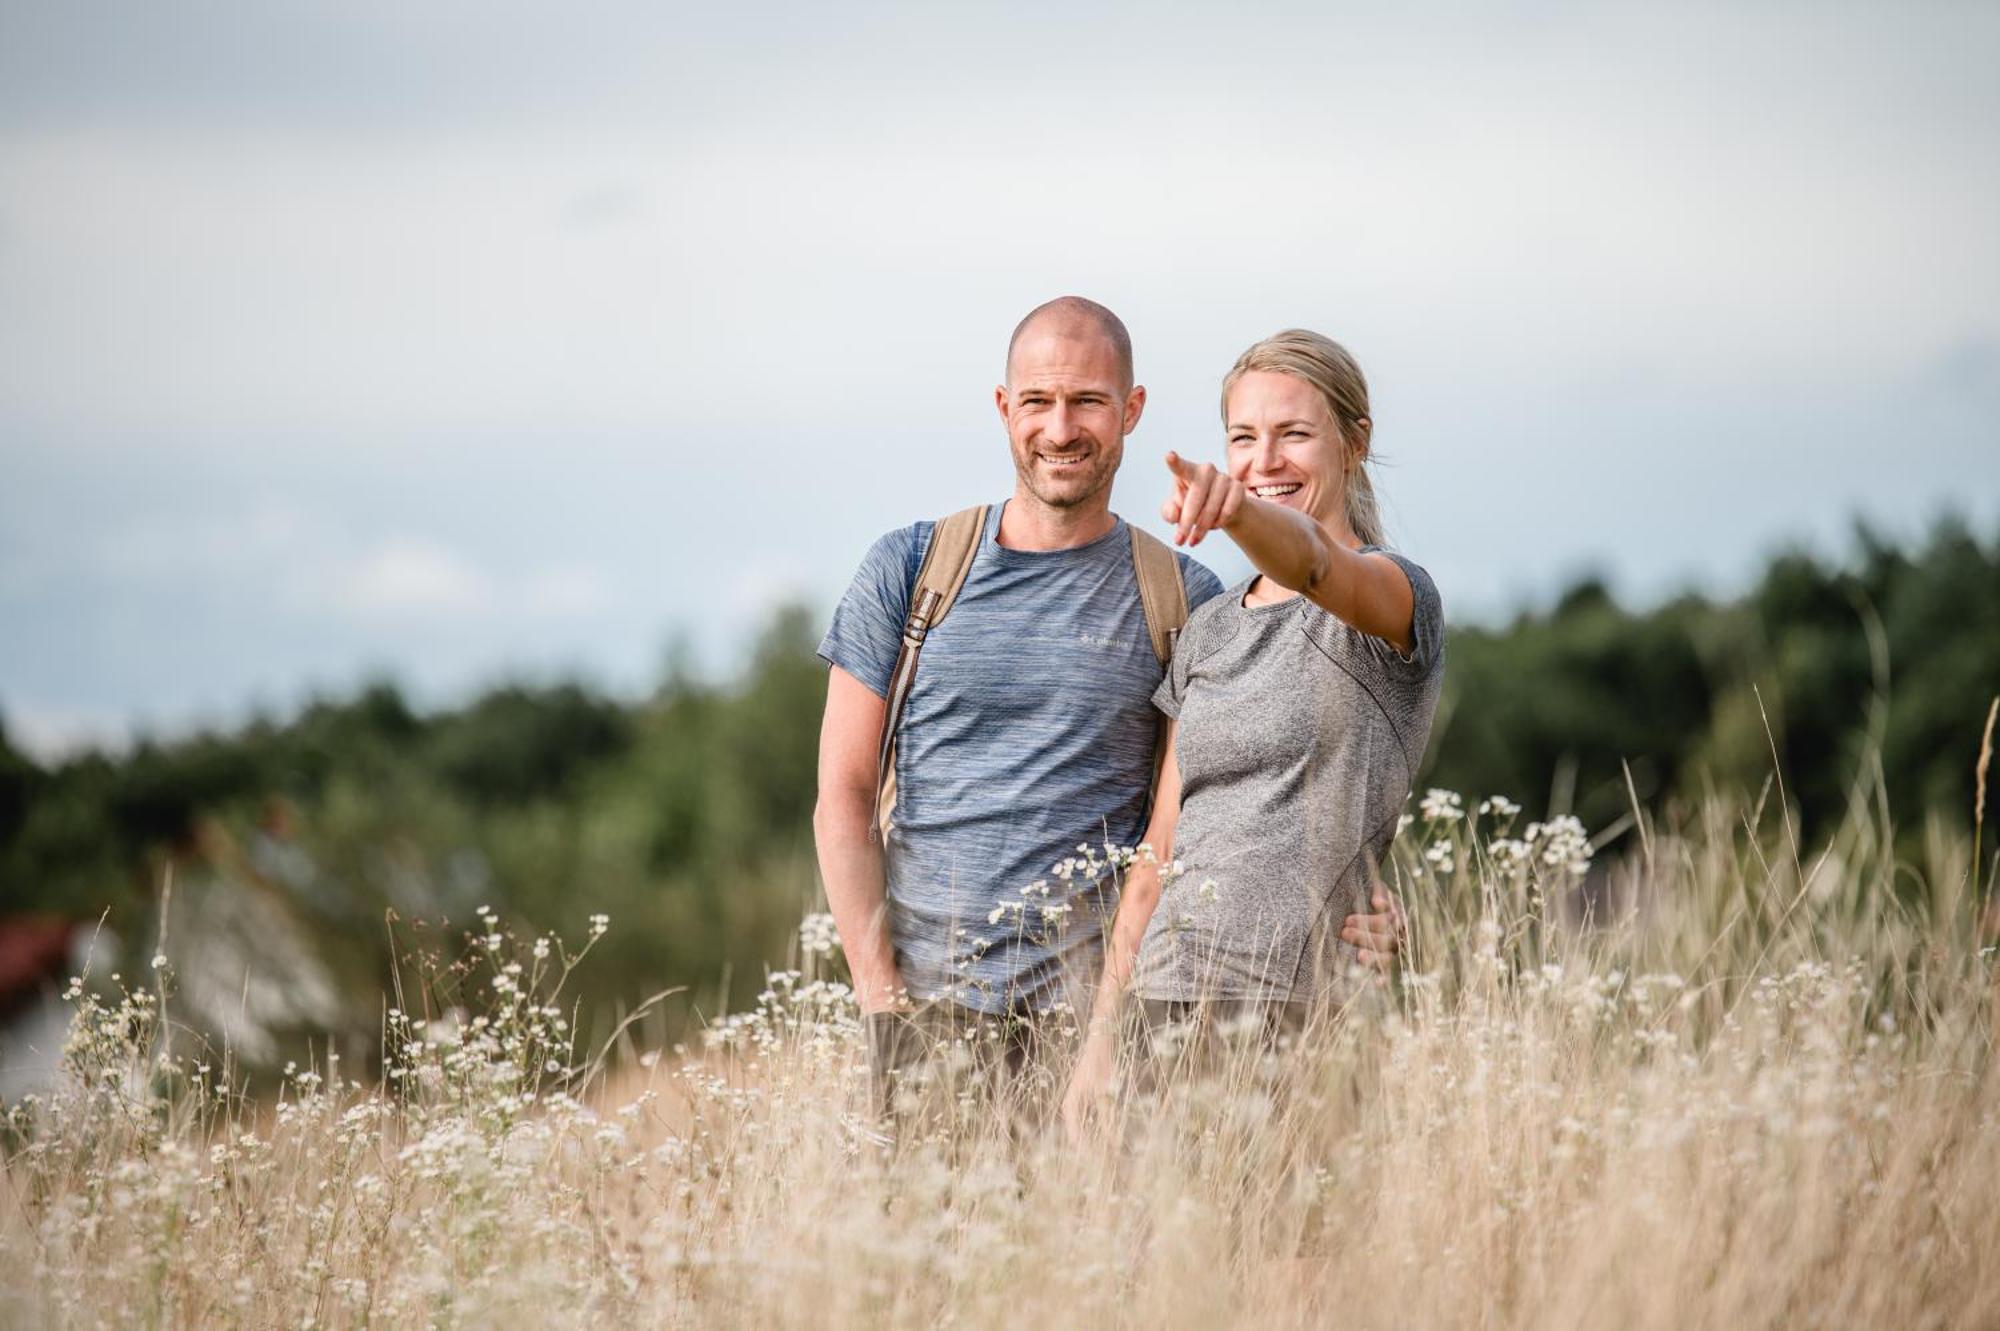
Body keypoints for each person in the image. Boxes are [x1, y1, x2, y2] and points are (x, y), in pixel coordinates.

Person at [812, 301, 1406, 1130]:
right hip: (925, 1018)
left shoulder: (1185, 601)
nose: (1061, 429)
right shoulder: (912, 569)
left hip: (1099, 1032)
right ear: (1003, 408)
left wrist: (1366, 896)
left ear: (1131, 410)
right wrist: (883, 1006)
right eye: (1038, 402)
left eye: (1088, 401)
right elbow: (842, 795)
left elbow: (1243, 792)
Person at [1062, 327, 1440, 1138]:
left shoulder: (1391, 601)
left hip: (1303, 1013)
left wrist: (1236, 510)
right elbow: (1159, 850)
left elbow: (1316, 566)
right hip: (1162, 1010)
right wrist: (1101, 1041)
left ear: (1354, 442)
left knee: (1292, 1262)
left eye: (1293, 433)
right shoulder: (1208, 632)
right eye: (1243, 438)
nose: (1265, 458)